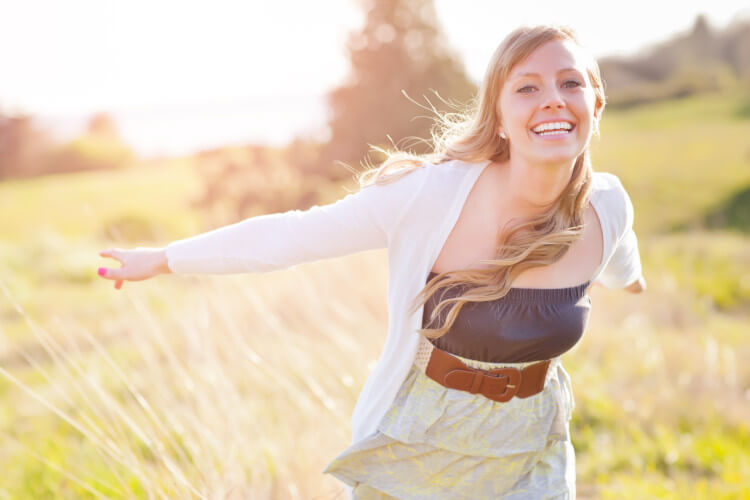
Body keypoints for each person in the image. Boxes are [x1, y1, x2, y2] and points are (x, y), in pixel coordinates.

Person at [98, 24, 645, 500]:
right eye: (528, 87)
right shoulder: (429, 196)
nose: (552, 98)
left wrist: (634, 280)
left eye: (570, 82)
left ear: (594, 107)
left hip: (533, 455)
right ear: (499, 116)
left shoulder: (606, 207)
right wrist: (165, 258)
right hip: (421, 444)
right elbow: (294, 235)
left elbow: (621, 261)